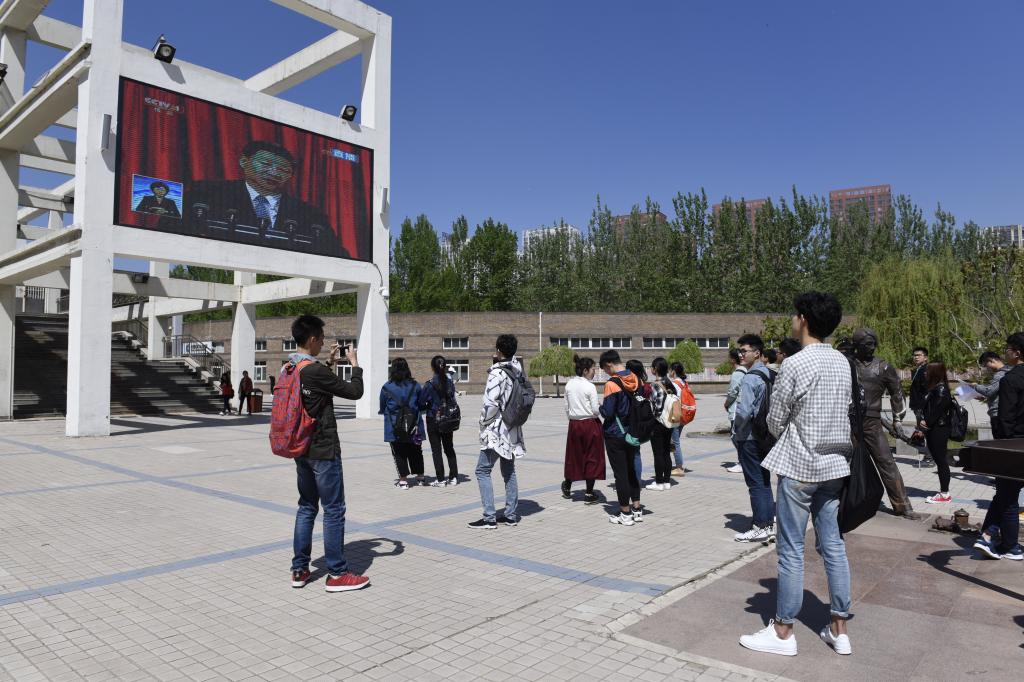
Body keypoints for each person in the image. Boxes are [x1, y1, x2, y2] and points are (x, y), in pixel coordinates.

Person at [740, 292, 853, 657]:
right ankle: (840, 629)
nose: (792, 320)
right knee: (833, 545)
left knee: (791, 549)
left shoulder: (795, 363)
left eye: (794, 315)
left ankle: (783, 631)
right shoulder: (842, 362)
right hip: (834, 466)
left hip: (801, 466)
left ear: (804, 319)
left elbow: (775, 420)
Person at [286, 314, 367, 592]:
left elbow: (315, 391)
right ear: (311, 339)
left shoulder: (290, 367)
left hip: (301, 447)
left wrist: (330, 363)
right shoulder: (314, 371)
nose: (323, 343)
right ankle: (337, 573)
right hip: (323, 449)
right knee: (333, 509)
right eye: (320, 339)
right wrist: (354, 364)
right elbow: (354, 392)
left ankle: (299, 569)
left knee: (307, 506)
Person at [179, 140, 348, 257]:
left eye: (283, 170)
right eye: (266, 164)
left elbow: (339, 255)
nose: (274, 172)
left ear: (291, 176)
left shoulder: (310, 215)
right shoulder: (207, 193)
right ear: (244, 162)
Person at [851, 328, 918, 519]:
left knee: (886, 461)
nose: (872, 348)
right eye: (867, 344)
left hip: (872, 422)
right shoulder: (847, 364)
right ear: (857, 345)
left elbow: (897, 392)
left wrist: (897, 420)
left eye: (873, 344)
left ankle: (902, 505)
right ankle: (843, 501)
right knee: (847, 462)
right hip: (849, 421)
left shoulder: (884, 367)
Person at [468, 335, 527, 529]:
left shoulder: (497, 373)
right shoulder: (517, 371)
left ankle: (489, 517)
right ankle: (510, 515)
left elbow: (491, 403)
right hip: (512, 427)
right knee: (509, 471)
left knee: (482, 470)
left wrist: (483, 422)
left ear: (499, 351)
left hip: (496, 429)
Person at [975, 332, 1024, 561]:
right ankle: (989, 535)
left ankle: (1008, 545)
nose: (1005, 352)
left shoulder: (1010, 379)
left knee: (1008, 495)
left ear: (1017, 352)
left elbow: (1005, 418)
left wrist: (1002, 448)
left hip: (1013, 443)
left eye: (1007, 349)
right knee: (1007, 493)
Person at [732, 334, 776, 543]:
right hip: (766, 434)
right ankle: (768, 524)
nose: (741, 354)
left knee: (755, 483)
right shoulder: (770, 374)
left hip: (749, 436)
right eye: (740, 351)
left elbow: (743, 412)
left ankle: (760, 526)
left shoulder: (750, 378)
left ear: (757, 353)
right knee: (764, 481)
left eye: (744, 351)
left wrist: (736, 431)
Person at [599, 350, 643, 525]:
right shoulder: (637, 379)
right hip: (633, 432)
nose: (606, 372)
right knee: (632, 471)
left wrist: (599, 407)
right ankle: (637, 509)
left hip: (615, 434)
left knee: (621, 474)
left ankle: (625, 513)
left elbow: (608, 412)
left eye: (605, 369)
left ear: (609, 364)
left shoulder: (612, 384)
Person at [561, 355, 605, 504]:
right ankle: (589, 493)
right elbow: (595, 410)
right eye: (593, 369)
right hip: (590, 424)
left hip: (574, 424)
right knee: (592, 457)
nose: (594, 372)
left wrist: (573, 417)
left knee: (574, 456)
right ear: (585, 370)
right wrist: (600, 407)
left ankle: (567, 486)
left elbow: (566, 406)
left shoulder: (569, 384)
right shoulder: (590, 386)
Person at [379, 358, 427, 489]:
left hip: (394, 425)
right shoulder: (415, 385)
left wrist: (385, 411)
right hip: (414, 423)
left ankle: (403, 480)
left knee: (399, 452)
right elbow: (421, 404)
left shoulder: (387, 386)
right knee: (416, 450)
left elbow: (382, 405)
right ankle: (420, 477)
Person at [420, 355, 460, 486]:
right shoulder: (450, 382)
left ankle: (441, 479)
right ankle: (453, 477)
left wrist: (428, 405)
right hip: (448, 418)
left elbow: (421, 402)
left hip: (433, 419)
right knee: (449, 448)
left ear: (433, 367)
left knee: (436, 450)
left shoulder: (430, 384)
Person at [920, 362, 954, 504]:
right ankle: (944, 492)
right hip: (934, 428)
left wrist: (926, 422)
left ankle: (944, 494)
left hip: (939, 429)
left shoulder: (941, 389)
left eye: (927, 371)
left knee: (941, 461)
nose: (925, 373)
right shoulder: (935, 388)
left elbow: (936, 411)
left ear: (935, 373)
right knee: (940, 460)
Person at [646, 357, 677, 491]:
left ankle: (659, 482)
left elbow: (657, 408)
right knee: (666, 452)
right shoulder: (670, 383)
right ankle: (667, 481)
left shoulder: (655, 385)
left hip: (658, 423)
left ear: (655, 369)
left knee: (657, 453)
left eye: (652, 367)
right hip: (669, 422)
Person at [970, 351, 1008, 438]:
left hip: (999, 414)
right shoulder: (1007, 372)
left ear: (991, 360)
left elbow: (989, 391)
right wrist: (985, 398)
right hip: (1002, 412)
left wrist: (975, 386)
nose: (986, 369)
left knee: (1000, 442)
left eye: (985, 365)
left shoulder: (1000, 374)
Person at [625, 359, 650, 485]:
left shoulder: (630, 383)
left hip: (630, 420)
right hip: (640, 420)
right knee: (636, 452)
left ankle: (632, 482)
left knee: (629, 453)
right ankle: (637, 481)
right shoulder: (642, 383)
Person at [724, 348, 747, 474]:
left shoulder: (738, 373)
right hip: (743, 408)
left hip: (736, 409)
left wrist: (726, 403)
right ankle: (743, 462)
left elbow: (733, 392)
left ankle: (743, 462)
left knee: (736, 437)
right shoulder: (746, 371)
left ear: (733, 359)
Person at [669, 361, 688, 476]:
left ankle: (679, 468)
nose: (669, 372)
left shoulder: (674, 384)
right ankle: (676, 464)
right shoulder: (683, 382)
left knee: (675, 442)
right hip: (683, 415)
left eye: (670, 370)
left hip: (676, 415)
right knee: (674, 441)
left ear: (673, 371)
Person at [908, 346, 929, 421]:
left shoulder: (927, 369)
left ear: (925, 358)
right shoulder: (917, 370)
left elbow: (927, 389)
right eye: (914, 355)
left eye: (919, 355)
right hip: (917, 405)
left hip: (923, 406)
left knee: (923, 425)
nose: (916, 357)